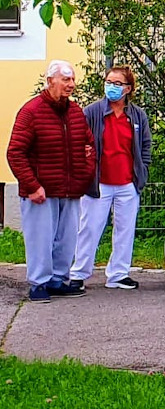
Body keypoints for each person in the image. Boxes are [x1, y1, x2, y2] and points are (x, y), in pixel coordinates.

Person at [6, 60, 95, 302]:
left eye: (73, 79)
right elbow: (15, 152)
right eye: (66, 79)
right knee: (40, 239)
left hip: (70, 189)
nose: (71, 85)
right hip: (40, 191)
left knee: (67, 239)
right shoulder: (31, 111)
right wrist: (32, 186)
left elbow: (89, 146)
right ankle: (39, 284)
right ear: (50, 81)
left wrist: (84, 175)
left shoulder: (76, 112)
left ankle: (58, 280)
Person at [69, 65, 152, 291]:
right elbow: (79, 141)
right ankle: (79, 273)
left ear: (128, 88)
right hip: (99, 183)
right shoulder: (93, 112)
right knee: (89, 228)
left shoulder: (137, 115)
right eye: (108, 82)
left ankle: (118, 274)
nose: (111, 87)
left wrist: (142, 170)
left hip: (128, 182)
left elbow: (145, 146)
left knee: (125, 230)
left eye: (117, 83)